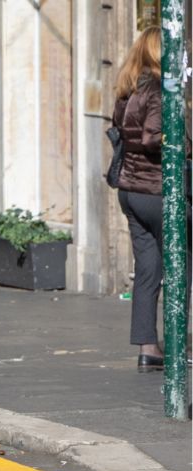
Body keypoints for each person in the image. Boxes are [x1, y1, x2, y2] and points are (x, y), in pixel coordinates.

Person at [112, 28, 165, 372]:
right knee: (183, 261)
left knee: (147, 270)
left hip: (130, 191)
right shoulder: (157, 89)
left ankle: (149, 348)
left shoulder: (127, 89)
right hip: (156, 191)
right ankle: (181, 340)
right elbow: (151, 137)